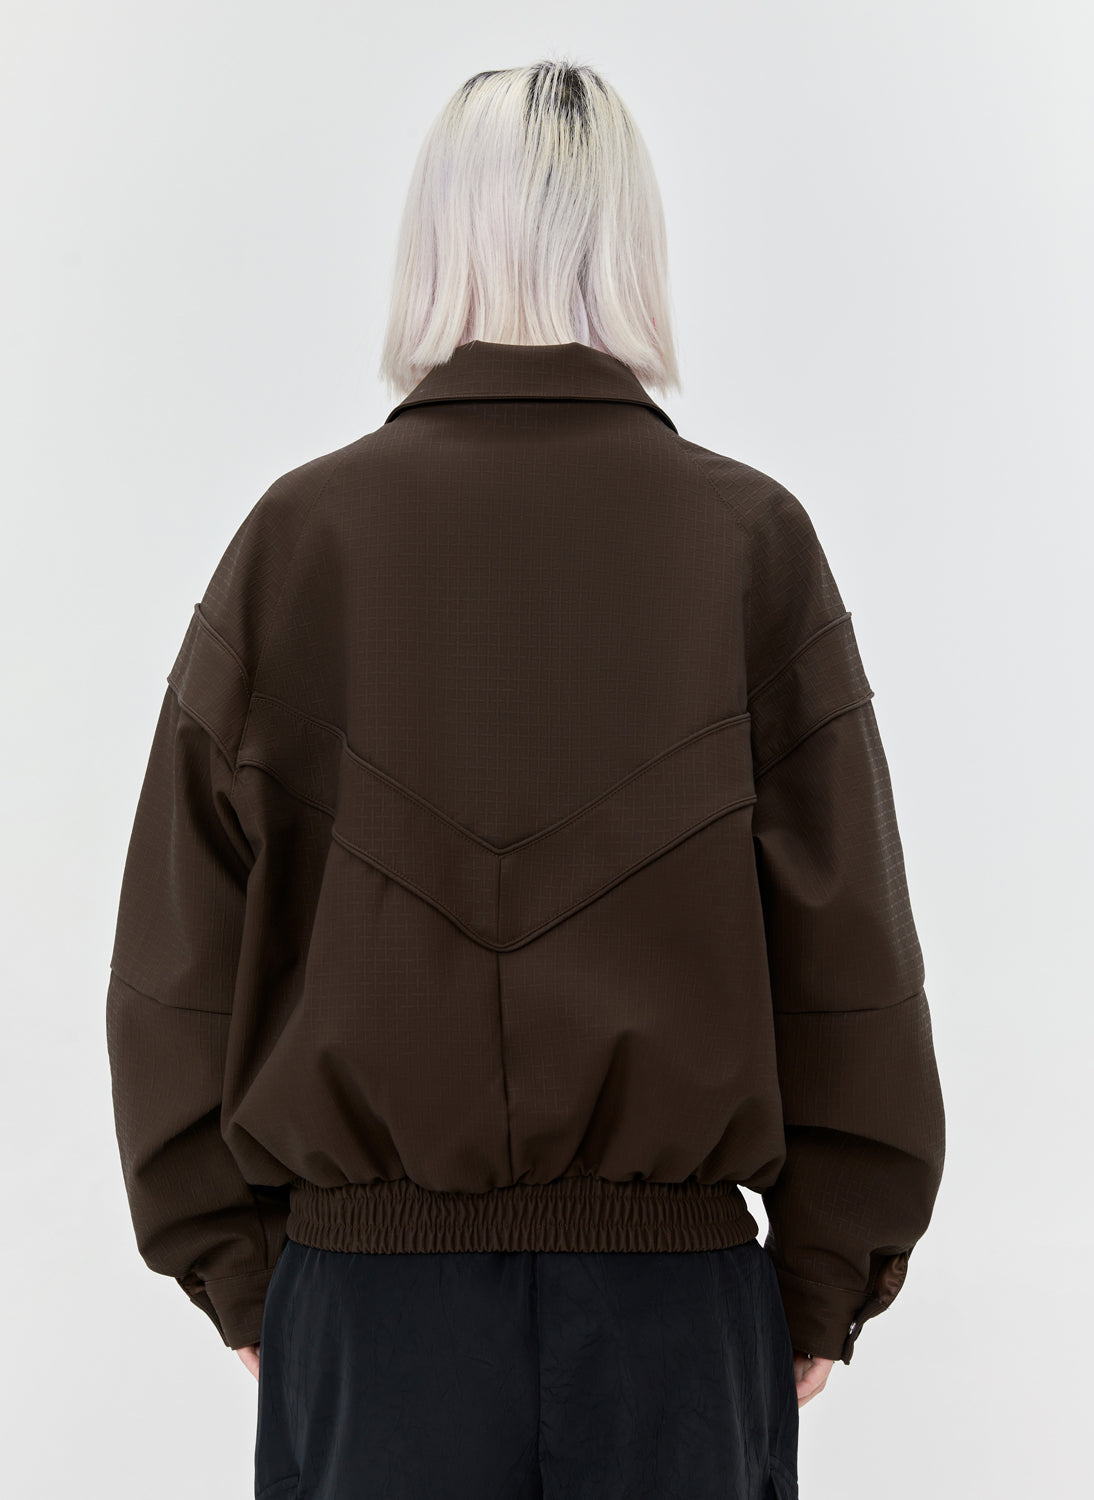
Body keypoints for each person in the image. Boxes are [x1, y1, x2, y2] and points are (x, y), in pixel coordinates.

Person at [105, 57, 945, 1500]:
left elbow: (176, 957)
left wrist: (245, 1272)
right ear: (633, 246)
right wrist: (825, 1268)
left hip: (369, 1324)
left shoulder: (299, 543)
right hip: (673, 1329)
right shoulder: (748, 543)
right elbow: (848, 952)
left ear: (433, 239)